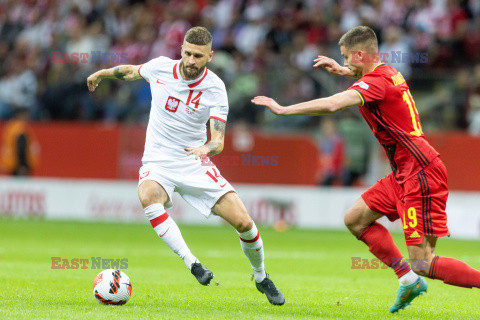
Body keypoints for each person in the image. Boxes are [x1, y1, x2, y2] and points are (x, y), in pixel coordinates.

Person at [252, 26, 480, 313]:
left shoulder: (376, 82)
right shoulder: (389, 72)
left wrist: (283, 109)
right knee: (356, 219)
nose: (344, 62)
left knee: (424, 261)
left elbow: (334, 104)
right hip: (405, 171)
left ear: (360, 54)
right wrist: (344, 72)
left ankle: (418, 275)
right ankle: (406, 279)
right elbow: (369, 81)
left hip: (420, 172)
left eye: (347, 57)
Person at [87, 26, 284, 306]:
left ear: (210, 56)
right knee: (147, 196)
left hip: (194, 162)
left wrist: (206, 147)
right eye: (188, 53)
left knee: (244, 223)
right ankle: (193, 263)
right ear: (181, 50)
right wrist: (101, 73)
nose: (191, 61)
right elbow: (131, 71)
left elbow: (218, 141)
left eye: (198, 56)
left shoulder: (215, 88)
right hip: (158, 160)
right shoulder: (160, 68)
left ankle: (261, 276)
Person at [1, 107, 40, 176]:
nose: (28, 117)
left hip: (12, 164)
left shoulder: (11, 126)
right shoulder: (20, 129)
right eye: (26, 115)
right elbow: (21, 147)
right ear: (20, 115)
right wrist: (22, 165)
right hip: (19, 166)